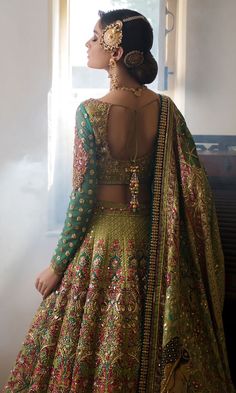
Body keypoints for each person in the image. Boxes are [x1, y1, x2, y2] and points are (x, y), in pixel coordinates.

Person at [3, 8, 234, 393]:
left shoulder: (91, 113)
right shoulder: (166, 112)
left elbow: (81, 201)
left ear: (114, 49)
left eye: (94, 37)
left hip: (102, 245)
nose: (88, 44)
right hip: (154, 248)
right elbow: (192, 187)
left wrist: (57, 266)